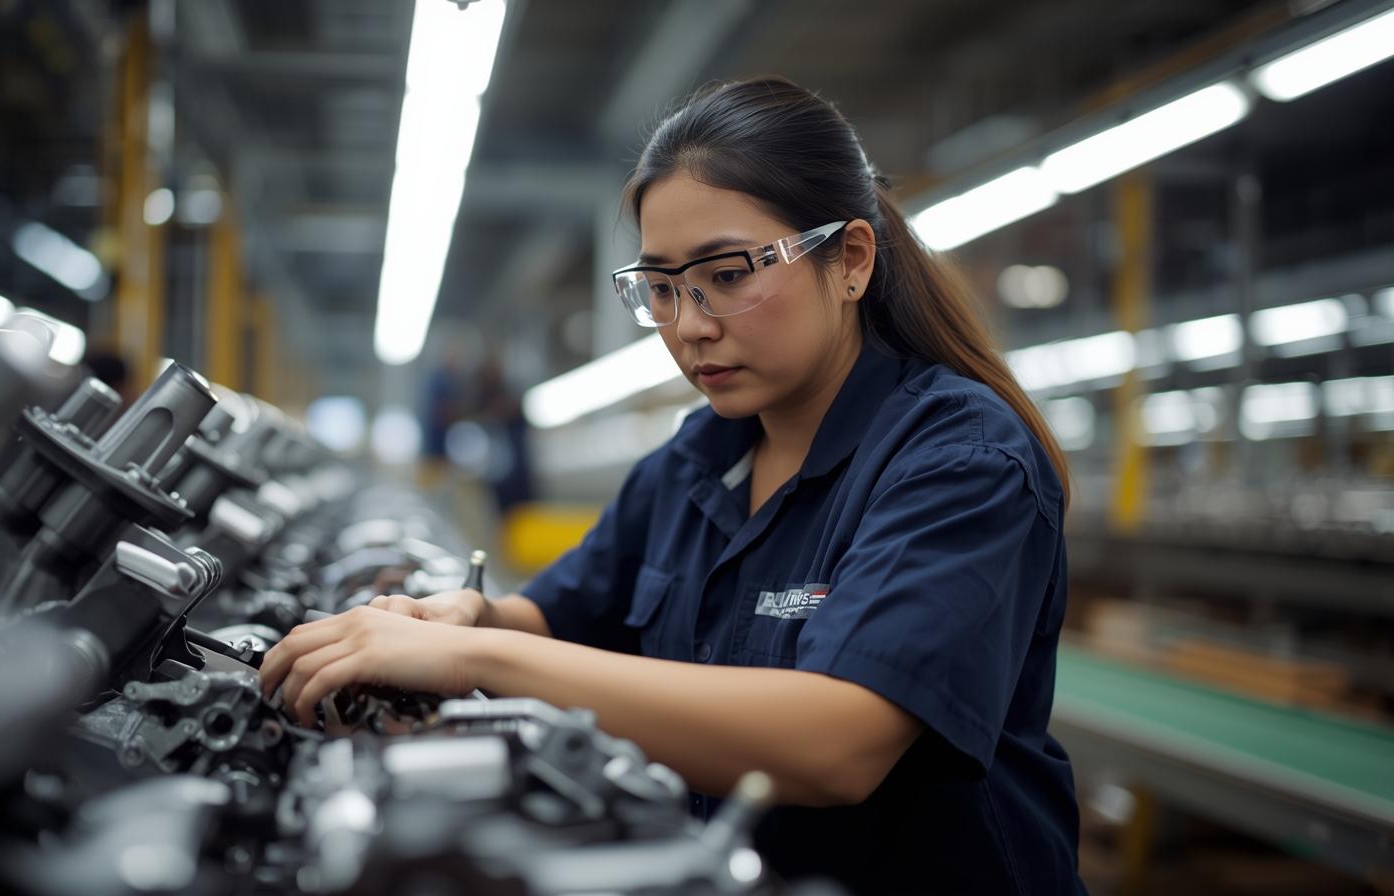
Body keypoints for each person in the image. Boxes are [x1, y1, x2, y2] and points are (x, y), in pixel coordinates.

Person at [261, 76, 1084, 895]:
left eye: (728, 274)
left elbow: (839, 743)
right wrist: (462, 613)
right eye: (661, 288)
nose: (690, 324)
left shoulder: (959, 458)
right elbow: (558, 616)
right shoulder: (699, 457)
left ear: (851, 262)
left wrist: (471, 653)